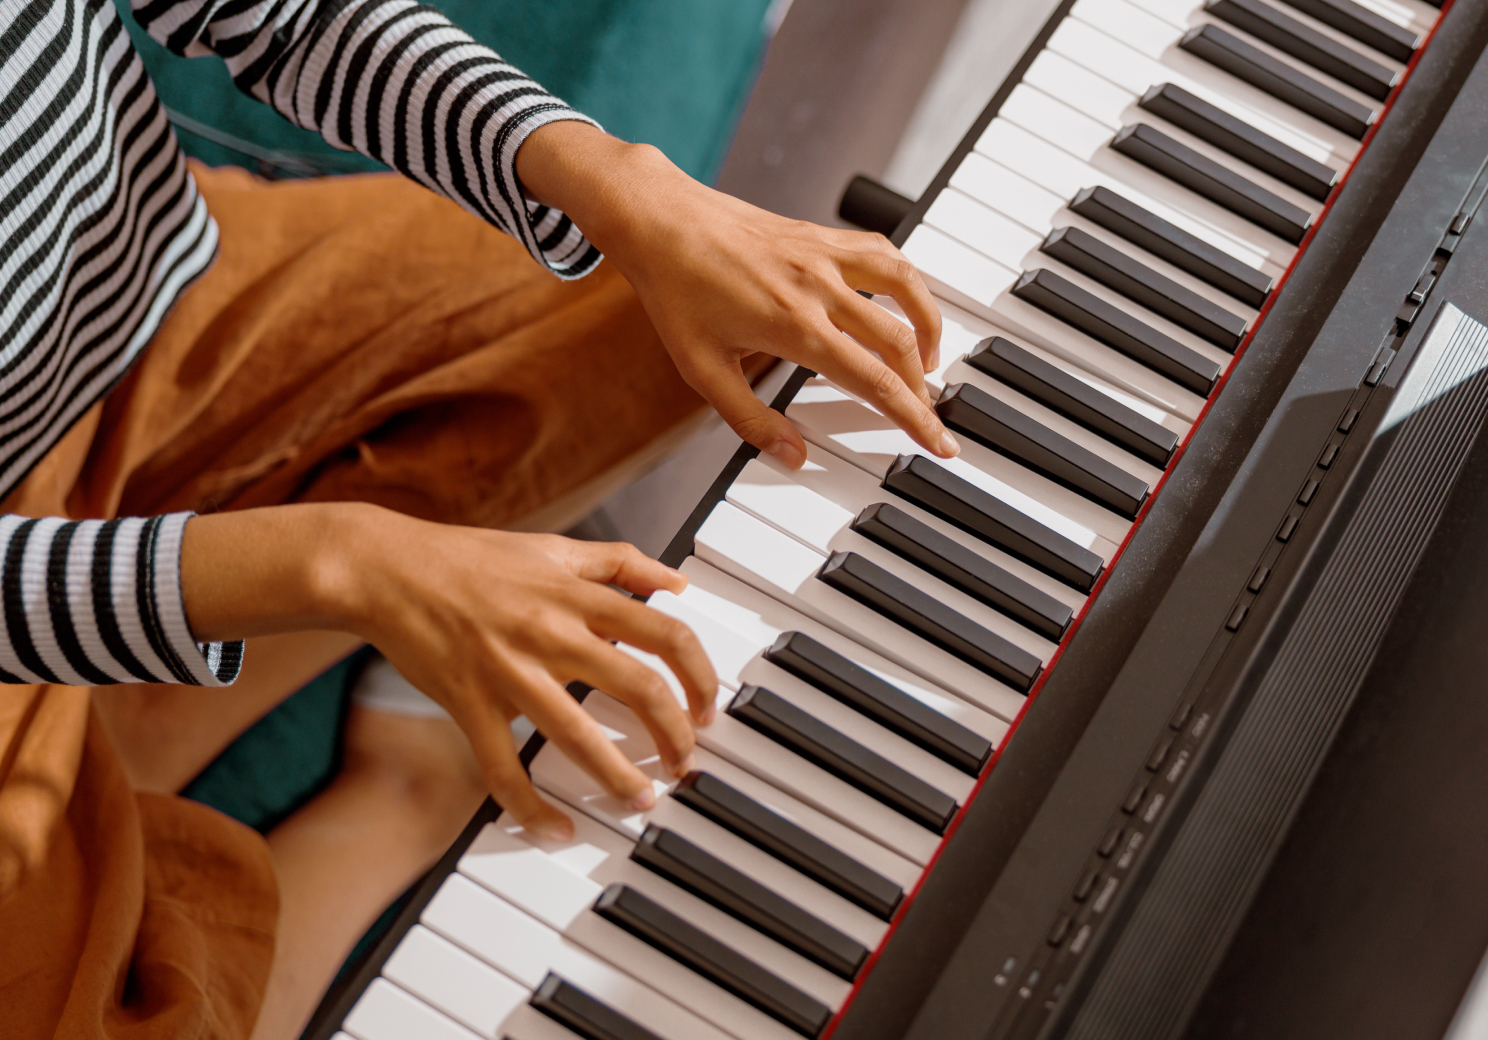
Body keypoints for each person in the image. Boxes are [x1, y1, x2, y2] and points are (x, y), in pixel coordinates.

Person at [0, 1, 959, 1037]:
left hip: (144, 311)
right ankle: (398, 796)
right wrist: (337, 562)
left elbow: (285, 17)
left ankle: (148, 704)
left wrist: (620, 185)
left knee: (697, 317)